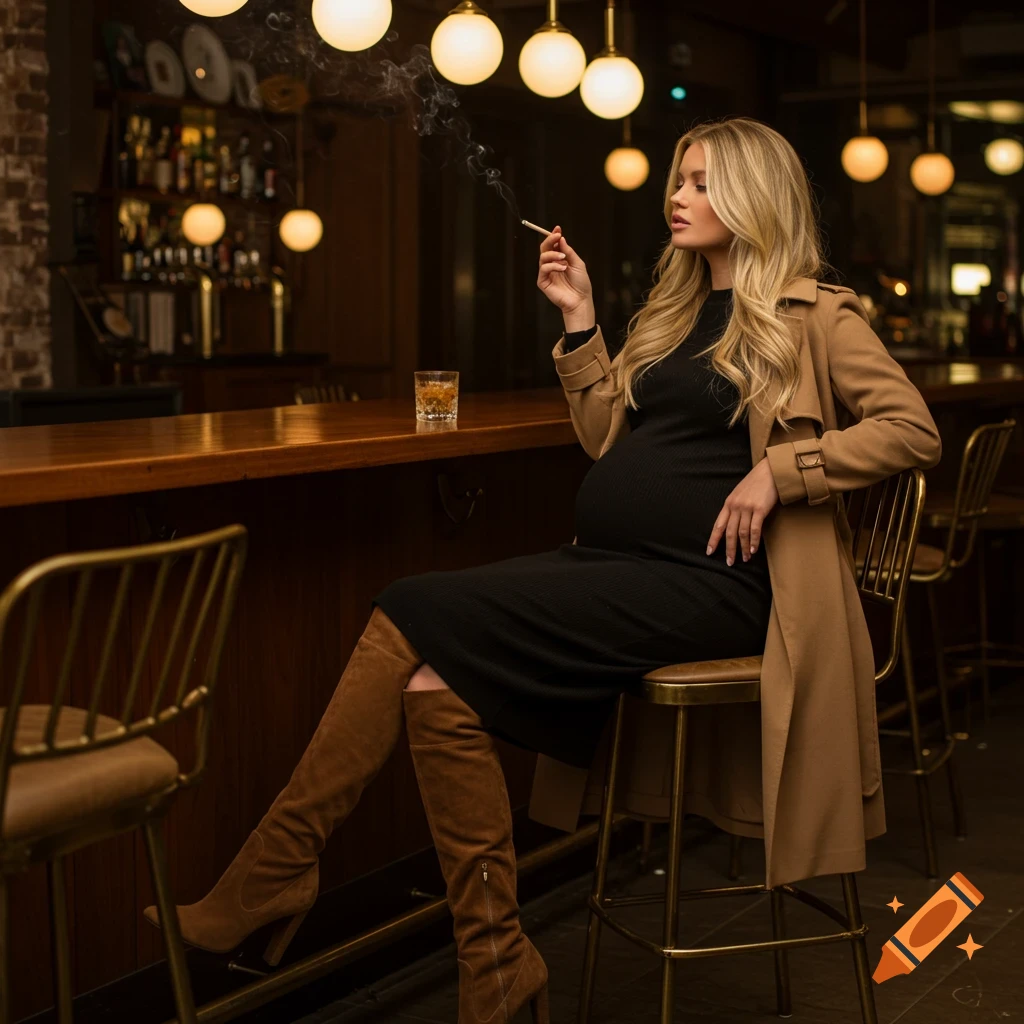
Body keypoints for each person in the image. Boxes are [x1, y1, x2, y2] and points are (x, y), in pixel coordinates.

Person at [143, 117, 941, 1022]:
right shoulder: (669, 312)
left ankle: (276, 872)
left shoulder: (817, 313)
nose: (678, 196)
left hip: (713, 585)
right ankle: (498, 970)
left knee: (409, 604)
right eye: (678, 179)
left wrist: (781, 472)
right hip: (617, 565)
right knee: (434, 686)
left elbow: (912, 430)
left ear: (757, 196)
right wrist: (580, 320)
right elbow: (608, 442)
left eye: (703, 182)